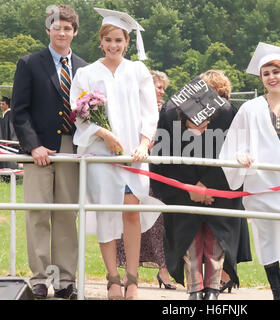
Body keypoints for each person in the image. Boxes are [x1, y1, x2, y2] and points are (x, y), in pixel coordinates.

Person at [70, 8, 160, 300]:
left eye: (119, 40)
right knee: (106, 212)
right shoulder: (86, 73)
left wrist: (144, 144)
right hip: (100, 154)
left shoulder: (138, 71)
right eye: (108, 39)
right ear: (101, 41)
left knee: (131, 211)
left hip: (133, 153)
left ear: (126, 42)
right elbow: (80, 115)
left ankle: (132, 278)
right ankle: (112, 278)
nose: (113, 45)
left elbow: (150, 112)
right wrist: (105, 135)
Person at [218, 42, 280, 300]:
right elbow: (233, 146)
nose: (272, 77)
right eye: (267, 73)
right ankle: (278, 294)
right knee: (267, 237)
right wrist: (240, 156)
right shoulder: (250, 109)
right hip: (262, 184)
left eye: (277, 71)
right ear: (261, 78)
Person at [11, 4, 87, 300]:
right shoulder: (29, 63)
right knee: (38, 213)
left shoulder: (83, 67)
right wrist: (33, 145)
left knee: (67, 215)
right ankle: (40, 278)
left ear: (75, 32)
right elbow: (19, 111)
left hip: (71, 148)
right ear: (48, 30)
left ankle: (66, 279)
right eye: (56, 27)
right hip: (38, 151)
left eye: (67, 28)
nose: (62, 32)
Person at [150, 70, 246, 300]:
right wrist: (190, 188)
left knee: (215, 234)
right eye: (196, 124)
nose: (202, 128)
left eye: (206, 124)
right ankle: (197, 288)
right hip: (183, 190)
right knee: (189, 234)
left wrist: (206, 185)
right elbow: (163, 158)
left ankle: (210, 288)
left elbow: (234, 153)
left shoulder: (227, 114)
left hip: (218, 188)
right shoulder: (171, 114)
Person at [116, 69, 176, 290]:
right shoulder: (134, 109)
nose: (160, 91)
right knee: (129, 219)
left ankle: (163, 269)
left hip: (160, 174)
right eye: (157, 87)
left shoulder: (169, 110)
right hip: (136, 170)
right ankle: (129, 273)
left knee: (159, 225)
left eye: (163, 88)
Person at [0, 96, 18, 172]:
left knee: (10, 160)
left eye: (3, 104)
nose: (1, 106)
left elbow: (12, 129)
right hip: (4, 141)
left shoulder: (10, 114)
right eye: (0, 104)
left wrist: (13, 141)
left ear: (7, 105)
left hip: (9, 142)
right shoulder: (4, 115)